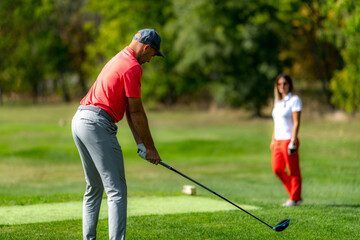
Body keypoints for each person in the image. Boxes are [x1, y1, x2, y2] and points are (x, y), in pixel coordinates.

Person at [71, 29, 165, 240]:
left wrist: (141, 143)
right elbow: (137, 111)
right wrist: (151, 148)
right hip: (96, 124)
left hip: (79, 120)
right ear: (146, 48)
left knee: (94, 187)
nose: (151, 60)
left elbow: (130, 110)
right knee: (116, 191)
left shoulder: (120, 58)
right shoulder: (133, 67)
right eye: (153, 55)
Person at [270, 73, 303, 207]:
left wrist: (293, 141)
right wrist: (273, 139)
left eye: (284, 84)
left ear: (289, 85)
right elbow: (276, 123)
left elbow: (296, 122)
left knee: (293, 170)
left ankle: (294, 199)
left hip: (289, 140)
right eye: (279, 84)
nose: (282, 86)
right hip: (277, 141)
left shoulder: (294, 100)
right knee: (277, 169)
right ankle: (295, 194)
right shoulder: (277, 103)